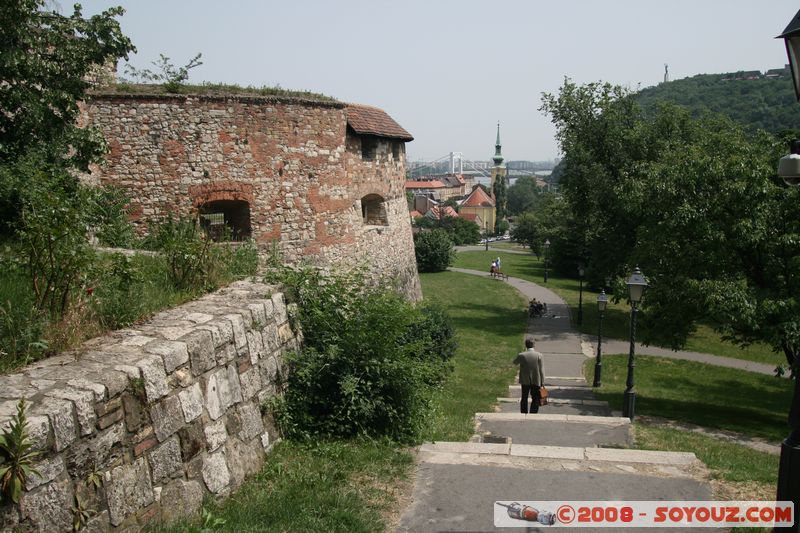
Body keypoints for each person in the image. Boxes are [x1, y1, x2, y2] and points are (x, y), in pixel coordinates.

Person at [513, 338, 545, 414]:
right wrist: (542, 381)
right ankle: (533, 412)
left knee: (524, 397)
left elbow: (515, 362)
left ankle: (524, 412)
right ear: (534, 345)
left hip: (525, 380)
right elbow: (541, 370)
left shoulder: (522, 355)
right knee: (535, 397)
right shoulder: (539, 355)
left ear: (526, 345)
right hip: (536, 379)